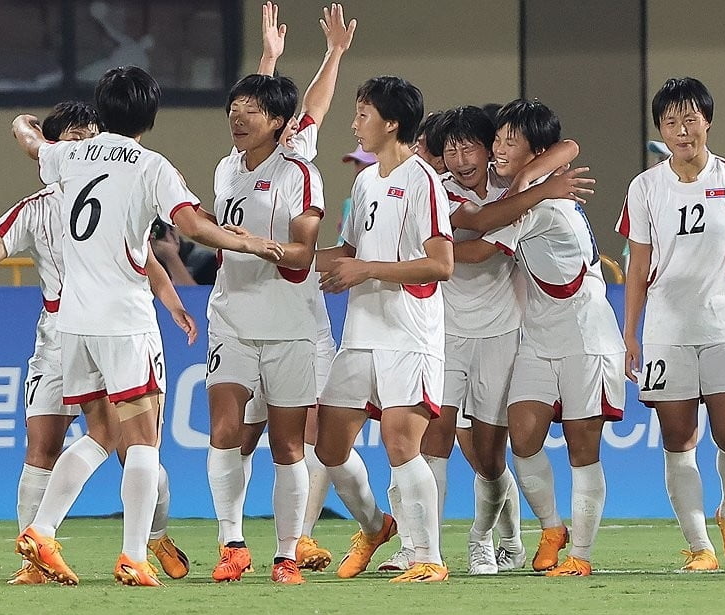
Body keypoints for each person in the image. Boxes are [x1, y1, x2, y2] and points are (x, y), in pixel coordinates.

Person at [11, 66, 283, 587]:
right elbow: (191, 224)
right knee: (141, 444)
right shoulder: (151, 166)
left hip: (73, 323)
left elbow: (30, 143)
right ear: (150, 116)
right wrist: (249, 242)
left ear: (102, 108)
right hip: (126, 320)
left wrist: (25, 124)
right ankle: (133, 554)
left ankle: (42, 530)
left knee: (98, 434)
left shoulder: (67, 155)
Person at [0, 101, 195, 585]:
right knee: (45, 446)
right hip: (61, 338)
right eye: (74, 137)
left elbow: (147, 261)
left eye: (90, 135)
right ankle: (35, 559)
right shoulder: (36, 210)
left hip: (108, 329)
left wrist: (169, 299)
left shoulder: (117, 191)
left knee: (130, 448)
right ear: (57, 150)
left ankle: (152, 536)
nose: (86, 144)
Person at [404, 104, 594, 575]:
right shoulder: (439, 192)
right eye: (450, 149)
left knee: (489, 460)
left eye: (470, 145)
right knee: (435, 441)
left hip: (504, 333)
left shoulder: (511, 180)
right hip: (445, 333)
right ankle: (426, 551)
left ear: (489, 149)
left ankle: (487, 533)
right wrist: (540, 189)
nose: (460, 156)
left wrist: (534, 181)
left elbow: (568, 147)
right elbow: (483, 229)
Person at [457, 99, 625, 577]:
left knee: (581, 449)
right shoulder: (532, 193)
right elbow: (567, 147)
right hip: (538, 335)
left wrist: (422, 246)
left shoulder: (547, 207)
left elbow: (481, 232)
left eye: (512, 142)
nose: (498, 151)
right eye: (499, 141)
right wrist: (538, 173)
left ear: (538, 151)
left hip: (585, 338)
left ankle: (581, 555)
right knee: (524, 438)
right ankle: (553, 528)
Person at [619, 77, 725, 572]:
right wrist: (630, 333)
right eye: (670, 122)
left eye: (690, 119)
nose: (681, 130)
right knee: (678, 439)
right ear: (660, 130)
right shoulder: (644, 188)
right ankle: (699, 546)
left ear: (707, 120)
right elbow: (639, 268)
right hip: (666, 329)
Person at [313, 75, 453, 583]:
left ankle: (428, 558)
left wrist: (365, 271)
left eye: (363, 113)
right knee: (327, 445)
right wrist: (276, 257)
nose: (354, 123)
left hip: (409, 335)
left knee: (400, 446)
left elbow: (441, 264)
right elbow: (349, 253)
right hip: (361, 333)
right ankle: (375, 526)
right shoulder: (366, 180)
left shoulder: (424, 181)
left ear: (391, 122)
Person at [243, 0, 360, 574]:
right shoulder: (240, 162)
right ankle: (237, 540)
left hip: (300, 317)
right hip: (245, 319)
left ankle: (303, 538)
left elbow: (314, 103)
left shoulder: (297, 156)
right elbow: (255, 109)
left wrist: (334, 52)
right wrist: (267, 58)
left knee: (313, 429)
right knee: (249, 435)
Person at [203, 71, 325, 586]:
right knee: (224, 433)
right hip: (230, 319)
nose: (238, 115)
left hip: (289, 325)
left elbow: (302, 256)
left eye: (252, 108)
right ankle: (232, 545)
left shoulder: (299, 173)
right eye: (235, 106)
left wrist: (256, 244)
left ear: (279, 122)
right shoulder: (226, 169)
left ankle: (286, 554)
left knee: (287, 446)